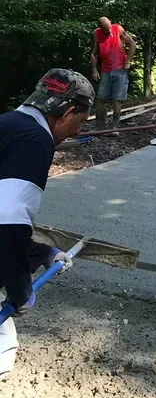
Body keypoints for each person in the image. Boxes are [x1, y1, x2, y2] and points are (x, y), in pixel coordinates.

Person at [0, 69, 94, 380]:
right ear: (68, 112)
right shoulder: (35, 142)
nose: (74, 133)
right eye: (78, 123)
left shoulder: (7, 125)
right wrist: (19, 289)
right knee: (3, 345)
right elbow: (8, 222)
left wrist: (41, 253)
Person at [90, 16, 136, 130]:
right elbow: (94, 53)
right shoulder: (97, 34)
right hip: (106, 70)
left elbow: (132, 44)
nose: (109, 31)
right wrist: (94, 69)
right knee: (101, 97)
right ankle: (100, 126)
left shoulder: (118, 29)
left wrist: (127, 61)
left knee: (117, 98)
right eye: (106, 29)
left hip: (120, 69)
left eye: (110, 27)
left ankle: (115, 126)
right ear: (100, 28)